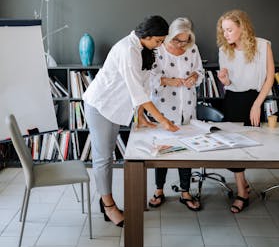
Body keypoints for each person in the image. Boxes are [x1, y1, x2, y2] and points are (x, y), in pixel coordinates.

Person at [83, 15, 179, 227]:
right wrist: (163, 121)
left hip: (115, 107)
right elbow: (137, 92)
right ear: (147, 35)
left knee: (107, 156)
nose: (160, 45)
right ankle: (108, 206)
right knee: (103, 158)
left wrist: (141, 117)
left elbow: (144, 85)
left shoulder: (143, 48)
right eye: (158, 41)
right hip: (101, 106)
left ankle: (105, 201)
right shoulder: (127, 49)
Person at [217, 9, 275, 213]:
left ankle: (244, 186)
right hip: (233, 99)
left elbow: (269, 78)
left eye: (230, 29)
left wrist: (257, 104)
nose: (226, 34)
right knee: (234, 148)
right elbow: (230, 82)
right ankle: (242, 191)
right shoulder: (225, 50)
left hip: (255, 99)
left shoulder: (263, 45)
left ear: (242, 27)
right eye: (223, 30)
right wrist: (224, 81)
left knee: (254, 145)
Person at [148, 17, 204, 211]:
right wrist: (167, 81)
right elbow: (148, 78)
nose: (181, 44)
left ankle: (185, 192)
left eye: (185, 40)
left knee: (185, 150)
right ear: (169, 35)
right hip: (163, 107)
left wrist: (194, 77)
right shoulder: (157, 49)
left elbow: (200, 72)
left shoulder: (192, 48)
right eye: (177, 40)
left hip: (187, 105)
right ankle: (158, 190)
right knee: (163, 149)